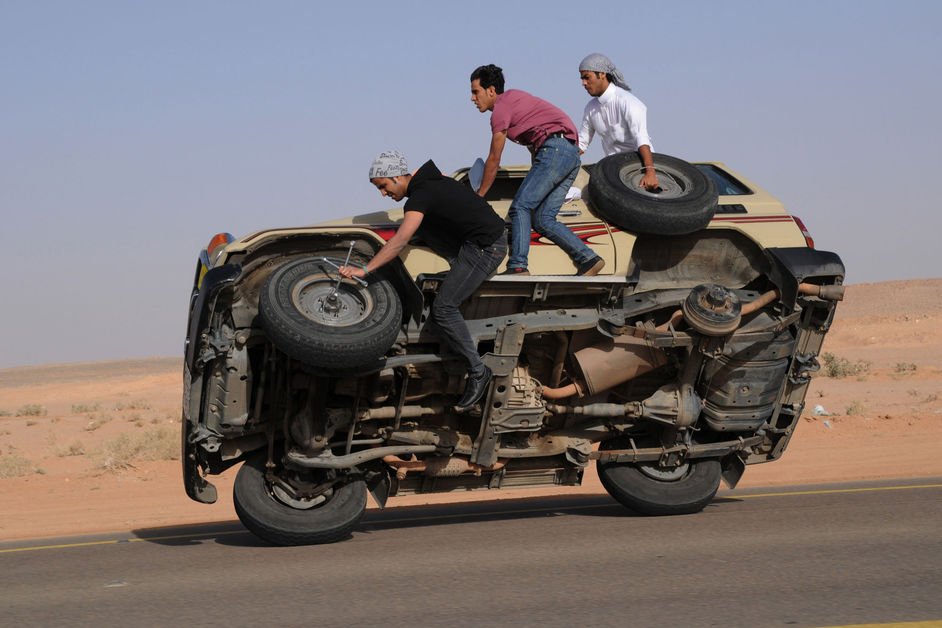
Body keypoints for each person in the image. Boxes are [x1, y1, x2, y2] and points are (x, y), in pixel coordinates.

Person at [339, 150, 507, 412]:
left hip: (486, 248)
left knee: (444, 308)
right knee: (420, 227)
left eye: (383, 186)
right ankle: (457, 268)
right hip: (471, 242)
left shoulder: (421, 196)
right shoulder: (432, 182)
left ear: (396, 177)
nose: (383, 194)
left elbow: (400, 241)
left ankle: (478, 371)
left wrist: (365, 270)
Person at [470, 64, 604, 277]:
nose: (473, 98)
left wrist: (479, 196)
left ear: (491, 91)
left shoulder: (501, 109)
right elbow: (536, 147)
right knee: (543, 219)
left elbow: (494, 159)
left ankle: (518, 266)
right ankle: (589, 259)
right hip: (569, 154)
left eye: (476, 92)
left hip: (556, 150)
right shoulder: (514, 101)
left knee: (520, 207)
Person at [578, 53, 660, 191]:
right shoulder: (590, 108)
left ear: (602, 74)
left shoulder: (628, 102)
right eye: (582, 79)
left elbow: (641, 138)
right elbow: (581, 144)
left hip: (640, 168)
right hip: (615, 170)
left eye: (587, 77)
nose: (583, 83)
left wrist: (650, 172)